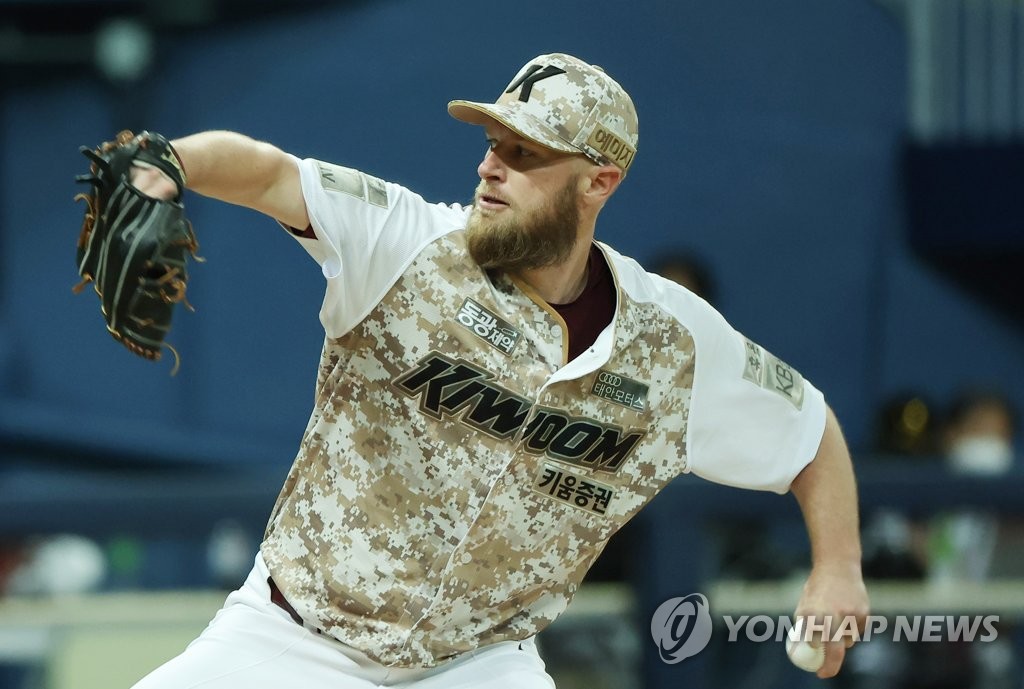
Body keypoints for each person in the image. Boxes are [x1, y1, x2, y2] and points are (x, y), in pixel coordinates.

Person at [126, 52, 868, 688]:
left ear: (598, 182)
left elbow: (809, 431)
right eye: (492, 142)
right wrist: (172, 164)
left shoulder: (674, 345)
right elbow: (267, 174)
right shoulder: (410, 244)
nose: (490, 166)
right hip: (294, 634)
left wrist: (837, 567)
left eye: (526, 153)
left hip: (476, 661)